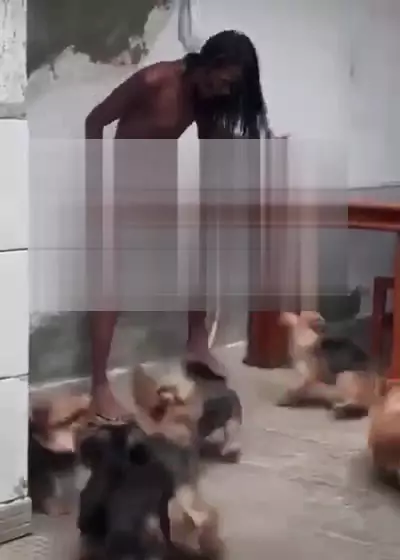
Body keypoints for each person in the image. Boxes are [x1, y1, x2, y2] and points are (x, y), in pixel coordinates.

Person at [85, 29, 270, 420]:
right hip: (121, 188)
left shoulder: (205, 100)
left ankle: (197, 342)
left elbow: (212, 152)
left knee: (205, 240)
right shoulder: (154, 81)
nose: (224, 91)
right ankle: (99, 386)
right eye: (223, 81)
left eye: (231, 87)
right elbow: (94, 121)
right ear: (210, 63)